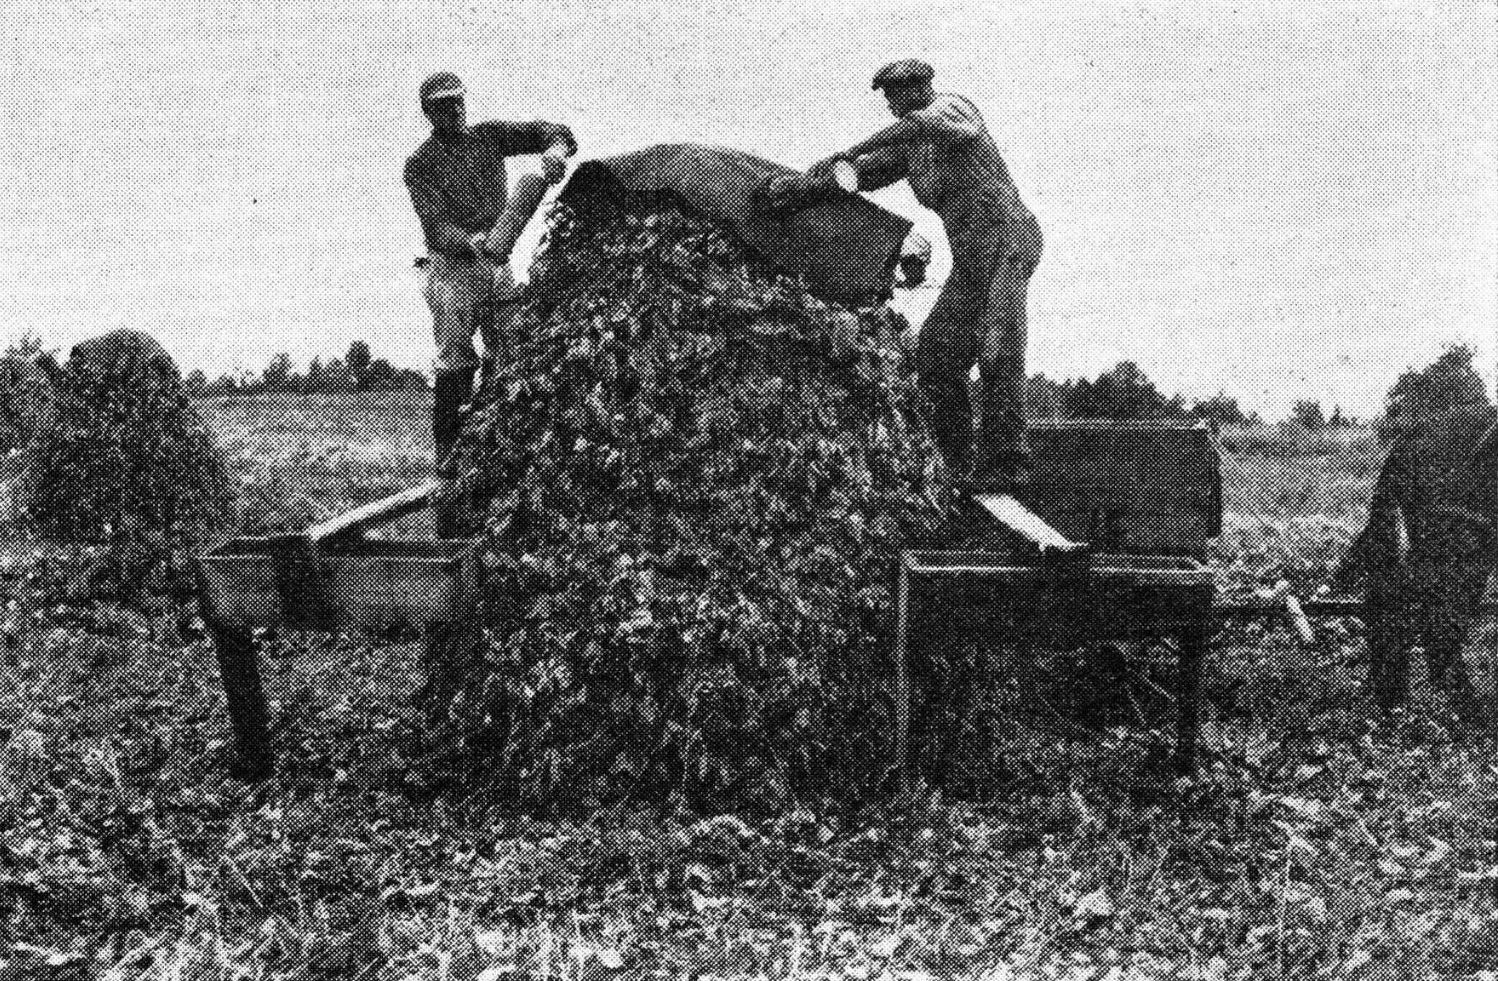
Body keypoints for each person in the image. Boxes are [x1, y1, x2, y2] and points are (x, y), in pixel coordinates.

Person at [812, 59, 1042, 490]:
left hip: (1009, 241)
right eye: (889, 96)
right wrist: (807, 185)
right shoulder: (910, 147)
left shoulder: (954, 110)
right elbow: (858, 175)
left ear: (923, 87)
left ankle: (1007, 464)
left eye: (900, 93)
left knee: (996, 349)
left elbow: (915, 127)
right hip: (972, 259)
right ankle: (954, 463)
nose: (894, 103)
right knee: (936, 356)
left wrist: (849, 150)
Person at [403, 71, 577, 472]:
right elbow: (436, 227)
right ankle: (450, 466)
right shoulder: (420, 165)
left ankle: (506, 454)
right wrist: (472, 242)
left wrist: (554, 150)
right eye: (444, 106)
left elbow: (548, 130)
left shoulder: (489, 137)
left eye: (458, 102)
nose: (454, 111)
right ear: (430, 114)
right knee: (456, 359)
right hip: (452, 270)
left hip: (497, 265)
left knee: (512, 349)